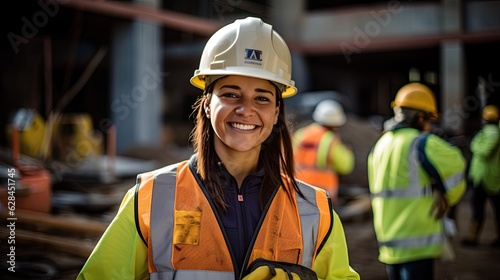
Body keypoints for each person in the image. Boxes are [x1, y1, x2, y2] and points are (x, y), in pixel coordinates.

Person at [77, 17, 359, 280]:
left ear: (276, 113)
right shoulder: (151, 198)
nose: (245, 109)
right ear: (208, 104)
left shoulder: (315, 210)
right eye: (231, 94)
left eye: (261, 98)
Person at [367, 82, 466, 280]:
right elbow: (457, 165)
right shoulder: (421, 142)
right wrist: (448, 198)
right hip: (418, 244)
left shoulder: (380, 145)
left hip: (388, 243)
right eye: (429, 121)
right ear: (421, 118)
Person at [293, 99, 354, 203]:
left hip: (298, 190)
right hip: (322, 195)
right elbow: (345, 166)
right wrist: (347, 152)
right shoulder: (330, 139)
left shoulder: (301, 133)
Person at [461, 104, 500, 247]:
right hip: (485, 177)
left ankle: (472, 238)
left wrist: (475, 146)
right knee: (484, 209)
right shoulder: (487, 132)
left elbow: (483, 151)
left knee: (478, 209)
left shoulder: (491, 133)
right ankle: (472, 237)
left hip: (487, 178)